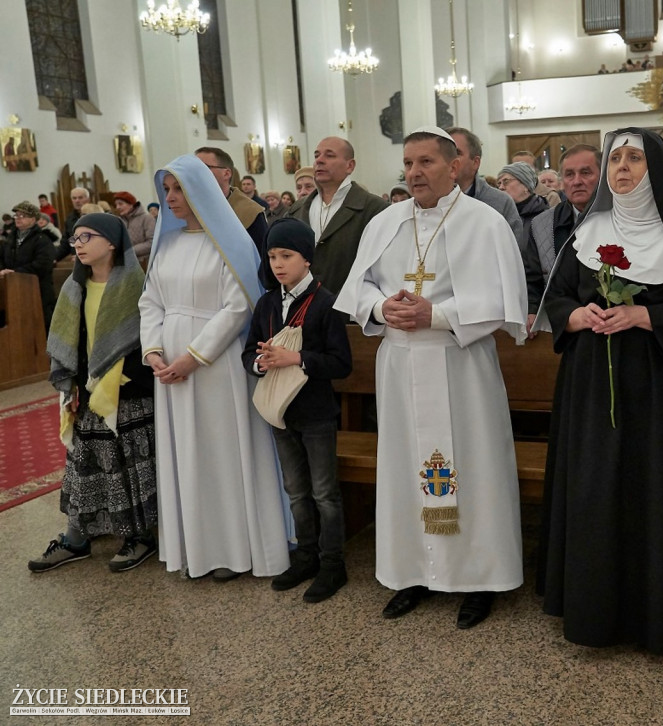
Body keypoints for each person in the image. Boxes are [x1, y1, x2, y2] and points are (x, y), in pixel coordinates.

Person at [533, 128, 663, 655]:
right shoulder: (587, 233)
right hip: (590, 385)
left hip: (658, 388)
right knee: (595, 487)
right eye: (615, 159)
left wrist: (646, 315)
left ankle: (659, 610)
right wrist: (575, 315)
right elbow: (555, 300)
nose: (621, 168)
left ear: (658, 172)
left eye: (635, 160)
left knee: (653, 488)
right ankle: (593, 608)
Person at [336, 126, 527, 629]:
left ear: (455, 165)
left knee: (476, 468)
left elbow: (503, 300)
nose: (415, 172)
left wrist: (435, 316)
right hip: (399, 365)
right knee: (405, 469)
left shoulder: (484, 222)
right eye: (408, 163)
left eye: (426, 162)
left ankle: (480, 578)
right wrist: (381, 307)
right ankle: (414, 572)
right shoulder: (386, 222)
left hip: (460, 365)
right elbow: (357, 289)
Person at [139, 154, 290, 581]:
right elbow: (150, 301)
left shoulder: (230, 241)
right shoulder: (165, 244)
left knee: (221, 453)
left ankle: (232, 549)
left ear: (201, 189)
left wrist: (193, 357)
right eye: (166, 189)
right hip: (168, 364)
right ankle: (195, 547)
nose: (169, 198)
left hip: (214, 362)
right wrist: (153, 350)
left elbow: (239, 306)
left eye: (178, 189)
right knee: (183, 453)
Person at [29, 213, 158, 573]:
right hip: (88, 390)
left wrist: (121, 378)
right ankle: (76, 538)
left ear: (113, 242)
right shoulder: (75, 286)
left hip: (128, 392)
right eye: (75, 238)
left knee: (128, 466)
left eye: (87, 237)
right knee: (82, 465)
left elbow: (147, 339)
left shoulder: (136, 285)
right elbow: (74, 341)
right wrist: (70, 382)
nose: (78, 244)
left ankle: (140, 535)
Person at [242, 218, 352, 603]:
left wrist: (297, 358)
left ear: (306, 258)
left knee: (324, 492)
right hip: (280, 411)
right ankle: (305, 555)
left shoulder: (325, 302)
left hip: (317, 412)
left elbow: (341, 363)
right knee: (295, 490)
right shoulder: (268, 302)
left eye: (286, 255)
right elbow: (248, 354)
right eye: (272, 256)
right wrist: (260, 364)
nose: (277, 264)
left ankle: (332, 564)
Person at [285, 136, 387, 296]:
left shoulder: (374, 209)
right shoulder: (297, 209)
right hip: (300, 310)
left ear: (350, 165)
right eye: (316, 155)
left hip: (349, 313)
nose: (319, 160)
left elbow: (381, 269)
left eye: (329, 155)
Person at [523, 144, 601, 331]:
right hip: (561, 323)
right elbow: (531, 276)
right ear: (562, 182)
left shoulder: (622, 219)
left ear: (603, 176)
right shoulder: (542, 224)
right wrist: (532, 309)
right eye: (569, 175)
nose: (577, 181)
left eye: (586, 173)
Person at [193, 147, 269, 278]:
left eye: (204, 167)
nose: (197, 173)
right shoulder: (189, 209)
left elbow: (263, 259)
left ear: (227, 173)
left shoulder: (249, 211)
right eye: (194, 169)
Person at [446, 127, 523, 243]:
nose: (449, 159)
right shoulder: (427, 201)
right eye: (445, 153)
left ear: (475, 163)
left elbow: (513, 252)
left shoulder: (500, 203)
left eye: (457, 153)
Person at [1, 201, 56, 331]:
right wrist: (3, 271)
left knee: (38, 329)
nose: (17, 218)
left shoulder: (43, 239)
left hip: (37, 291)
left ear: (33, 219)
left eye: (22, 216)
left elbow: (43, 265)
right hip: (12, 290)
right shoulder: (10, 238)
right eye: (16, 215)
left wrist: (15, 272)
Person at [497, 162, 549, 254]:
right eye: (499, 183)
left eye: (506, 181)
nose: (501, 187)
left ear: (525, 186)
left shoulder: (544, 217)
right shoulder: (498, 215)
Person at [113, 191, 156, 266]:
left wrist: (129, 251)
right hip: (125, 264)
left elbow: (152, 242)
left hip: (144, 263)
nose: (117, 207)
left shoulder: (147, 219)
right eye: (116, 205)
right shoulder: (119, 221)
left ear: (131, 204)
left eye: (120, 204)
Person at [58, 187, 91, 261]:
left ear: (88, 199)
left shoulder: (95, 215)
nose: (77, 201)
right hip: (77, 260)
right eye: (74, 198)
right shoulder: (70, 219)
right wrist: (53, 258)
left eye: (80, 198)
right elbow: (66, 244)